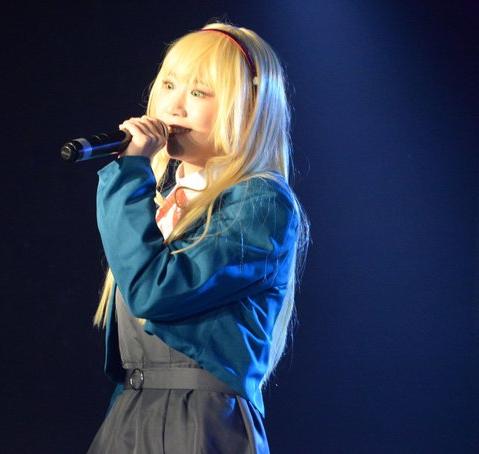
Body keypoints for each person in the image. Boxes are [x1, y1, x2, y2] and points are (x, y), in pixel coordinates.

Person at [86, 21, 309, 454]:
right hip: (130, 416)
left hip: (200, 423)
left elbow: (156, 291)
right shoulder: (163, 205)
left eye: (199, 92)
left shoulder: (261, 202)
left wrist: (128, 175)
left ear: (247, 108)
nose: (175, 105)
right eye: (170, 85)